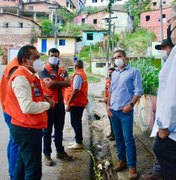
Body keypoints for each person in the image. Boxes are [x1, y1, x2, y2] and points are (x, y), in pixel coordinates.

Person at [5, 45, 54, 180]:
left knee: (22, 164)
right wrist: (47, 105)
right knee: (33, 170)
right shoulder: (21, 78)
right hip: (26, 129)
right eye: (35, 58)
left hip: (27, 127)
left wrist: (43, 98)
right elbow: (27, 107)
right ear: (25, 61)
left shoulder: (29, 75)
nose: (39, 61)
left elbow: (30, 96)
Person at [107, 50, 142, 180]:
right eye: (115, 57)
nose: (117, 59)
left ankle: (132, 167)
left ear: (125, 58)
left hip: (125, 111)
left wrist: (131, 105)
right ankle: (122, 161)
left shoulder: (134, 71)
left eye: (119, 57)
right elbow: (111, 90)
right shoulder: (114, 73)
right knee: (118, 138)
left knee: (128, 139)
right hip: (114, 111)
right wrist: (108, 106)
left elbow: (138, 91)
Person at [142, 39, 173, 180]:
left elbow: (172, 94)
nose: (163, 51)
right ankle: (158, 171)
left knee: (161, 148)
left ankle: (159, 172)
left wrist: (164, 126)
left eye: (165, 47)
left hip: (168, 125)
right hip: (165, 121)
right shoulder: (168, 64)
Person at [152, 6, 176, 179]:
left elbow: (171, 93)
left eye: (172, 22)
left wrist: (164, 128)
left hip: (171, 133)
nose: (170, 26)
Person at [39, 48, 72, 166]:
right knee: (47, 131)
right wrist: (60, 83)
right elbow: (49, 83)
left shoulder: (63, 71)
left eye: (56, 55)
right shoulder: (43, 70)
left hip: (60, 105)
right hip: (49, 105)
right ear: (48, 56)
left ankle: (60, 151)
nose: (54, 57)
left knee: (59, 130)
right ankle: (47, 155)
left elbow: (68, 83)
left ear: (59, 57)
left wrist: (55, 83)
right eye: (52, 55)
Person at [0, 57, 19, 180]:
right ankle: (14, 175)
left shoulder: (12, 65)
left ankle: (11, 172)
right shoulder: (15, 69)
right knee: (16, 143)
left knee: (12, 141)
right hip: (12, 111)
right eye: (34, 58)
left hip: (7, 108)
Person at [65, 60, 88, 150]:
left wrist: (69, 103)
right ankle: (77, 140)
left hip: (77, 102)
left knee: (75, 122)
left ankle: (79, 142)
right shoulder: (82, 73)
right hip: (79, 102)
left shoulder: (78, 75)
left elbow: (76, 90)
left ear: (75, 66)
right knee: (76, 121)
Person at [104, 67, 115, 141]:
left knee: (114, 120)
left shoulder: (116, 82)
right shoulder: (107, 82)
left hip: (113, 104)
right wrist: (105, 97)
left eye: (111, 72)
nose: (110, 74)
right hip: (107, 104)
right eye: (109, 73)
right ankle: (112, 132)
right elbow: (105, 90)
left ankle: (114, 135)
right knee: (110, 119)